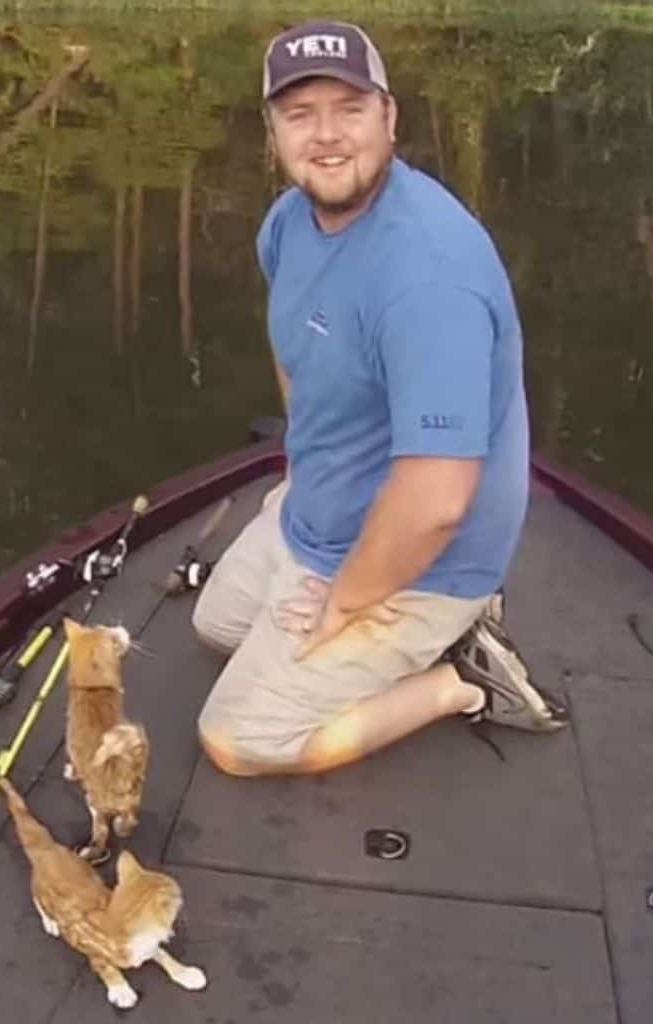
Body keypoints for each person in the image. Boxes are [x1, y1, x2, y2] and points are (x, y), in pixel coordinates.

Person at [191, 19, 566, 778]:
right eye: (300, 115)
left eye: (349, 109)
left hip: (424, 559)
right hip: (321, 515)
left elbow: (434, 503)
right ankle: (367, 628)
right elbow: (295, 341)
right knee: (214, 628)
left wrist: (345, 606)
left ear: (389, 117)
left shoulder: (430, 277)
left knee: (238, 741)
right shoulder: (289, 222)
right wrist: (302, 463)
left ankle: (462, 680)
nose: (327, 136)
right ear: (273, 132)